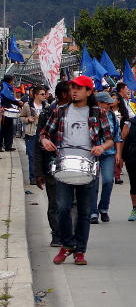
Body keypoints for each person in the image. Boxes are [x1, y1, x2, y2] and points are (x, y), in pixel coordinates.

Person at [39, 75, 114, 265]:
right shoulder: (60, 111)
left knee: (84, 212)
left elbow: (110, 139)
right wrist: (45, 141)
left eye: (79, 88)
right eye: (73, 87)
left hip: (88, 167)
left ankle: (80, 251)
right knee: (63, 208)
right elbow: (44, 133)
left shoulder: (98, 113)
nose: (74, 91)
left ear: (89, 92)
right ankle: (67, 245)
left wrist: (101, 148)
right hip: (64, 166)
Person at [34, 81, 70, 247]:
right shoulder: (48, 113)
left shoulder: (79, 112)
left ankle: (69, 234)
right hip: (52, 165)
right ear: (64, 94)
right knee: (55, 203)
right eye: (71, 91)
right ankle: (57, 235)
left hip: (72, 166)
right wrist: (38, 172)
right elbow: (38, 144)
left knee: (71, 204)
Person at [89, 92, 123, 224]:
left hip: (108, 153)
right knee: (93, 183)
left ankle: (103, 208)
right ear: (98, 103)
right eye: (106, 103)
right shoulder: (90, 115)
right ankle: (93, 212)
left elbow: (117, 137)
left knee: (108, 180)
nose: (109, 105)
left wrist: (118, 154)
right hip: (92, 153)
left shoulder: (112, 116)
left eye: (110, 103)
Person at [20, 86, 48, 185]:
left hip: (43, 135)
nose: (45, 96)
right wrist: (28, 119)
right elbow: (21, 117)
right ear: (36, 95)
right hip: (31, 134)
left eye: (45, 94)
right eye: (42, 94)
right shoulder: (28, 105)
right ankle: (33, 177)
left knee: (43, 156)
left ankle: (42, 176)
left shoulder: (47, 106)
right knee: (32, 156)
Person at [114, 83, 135, 184]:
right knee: (118, 150)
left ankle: (118, 171)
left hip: (125, 126)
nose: (128, 90)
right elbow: (126, 115)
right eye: (126, 88)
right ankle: (116, 173)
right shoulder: (119, 99)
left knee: (120, 151)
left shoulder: (125, 100)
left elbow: (129, 114)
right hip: (120, 128)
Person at [0, 75, 22, 151]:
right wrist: (18, 103)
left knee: (3, 128)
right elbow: (7, 96)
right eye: (12, 81)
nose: (13, 82)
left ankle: (4, 146)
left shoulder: (3, 85)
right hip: (4, 111)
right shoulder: (5, 86)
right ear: (10, 81)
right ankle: (7, 146)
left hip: (5, 109)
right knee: (8, 128)